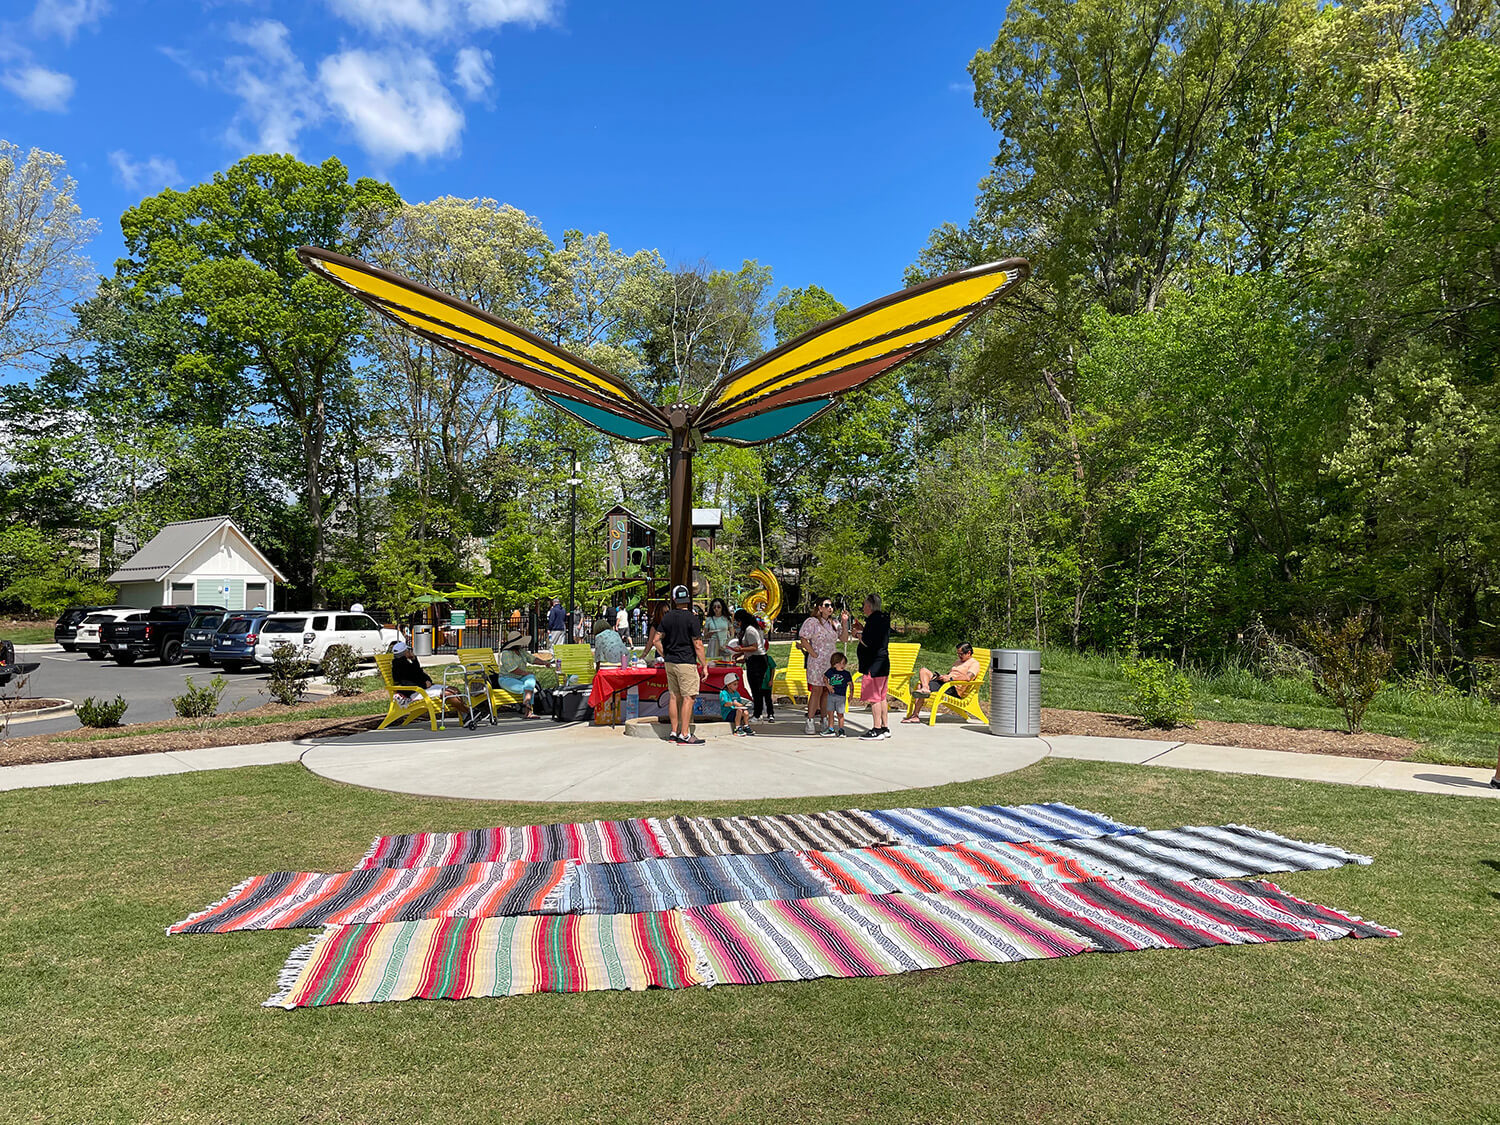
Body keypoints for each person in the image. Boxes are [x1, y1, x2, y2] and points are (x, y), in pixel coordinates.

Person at [647, 584, 708, 745]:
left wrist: (665, 654)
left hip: (670, 663)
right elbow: (698, 644)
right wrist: (705, 665)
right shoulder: (692, 618)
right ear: (687, 599)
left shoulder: (667, 617)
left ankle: (673, 732)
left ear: (674, 599)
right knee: (689, 697)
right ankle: (685, 734)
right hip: (686, 662)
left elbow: (655, 640)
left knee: (674, 696)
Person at [390, 641, 475, 729]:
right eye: (408, 650)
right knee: (449, 693)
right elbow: (405, 682)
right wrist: (423, 684)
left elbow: (419, 673)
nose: (410, 651)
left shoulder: (407, 663)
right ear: (405, 653)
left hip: (423, 688)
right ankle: (470, 713)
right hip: (416, 692)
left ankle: (466, 716)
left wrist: (414, 660)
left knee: (454, 689)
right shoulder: (399, 666)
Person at [798, 596, 849, 734]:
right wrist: (812, 653)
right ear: (819, 608)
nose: (830, 608)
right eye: (826, 605)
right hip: (817, 662)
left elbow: (844, 638)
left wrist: (844, 623)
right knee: (816, 690)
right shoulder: (812, 622)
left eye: (831, 605)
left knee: (827, 690)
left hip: (830, 662)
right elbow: (803, 637)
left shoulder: (834, 623)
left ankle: (824, 719)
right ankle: (810, 720)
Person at [903, 642, 983, 723]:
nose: (959, 656)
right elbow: (951, 673)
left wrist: (951, 678)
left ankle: (915, 715)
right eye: (958, 654)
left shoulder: (974, 664)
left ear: (969, 653)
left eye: (961, 654)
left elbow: (968, 677)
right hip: (947, 683)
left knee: (919, 686)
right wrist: (943, 677)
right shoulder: (958, 661)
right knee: (923, 670)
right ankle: (925, 688)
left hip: (953, 688)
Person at [727, 608, 774, 722]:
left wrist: (741, 649)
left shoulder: (750, 630)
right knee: (754, 687)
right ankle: (758, 712)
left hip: (757, 660)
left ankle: (758, 714)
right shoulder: (750, 629)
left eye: (737, 621)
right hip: (753, 659)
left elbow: (754, 647)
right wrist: (740, 653)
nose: (737, 624)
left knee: (756, 687)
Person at [856, 592, 893, 741]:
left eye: (865, 604)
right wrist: (862, 629)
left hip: (874, 664)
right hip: (883, 662)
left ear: (870, 606)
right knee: (881, 696)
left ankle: (876, 729)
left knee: (874, 698)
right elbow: (876, 637)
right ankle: (885, 727)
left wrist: (858, 634)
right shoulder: (882, 619)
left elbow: (868, 642)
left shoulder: (873, 620)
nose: (863, 607)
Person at [496, 629, 548, 719]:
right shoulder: (506, 654)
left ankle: (526, 703)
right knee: (528, 687)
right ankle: (528, 710)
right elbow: (513, 669)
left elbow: (532, 659)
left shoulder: (521, 651)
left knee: (531, 678)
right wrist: (526, 673)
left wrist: (544, 663)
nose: (521, 644)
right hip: (507, 679)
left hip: (521, 677)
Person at [822, 652, 853, 738]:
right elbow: (824, 678)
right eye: (840, 663)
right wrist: (828, 686)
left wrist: (851, 694)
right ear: (834, 664)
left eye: (844, 663)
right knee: (830, 712)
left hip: (841, 696)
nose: (842, 665)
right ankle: (831, 728)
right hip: (831, 695)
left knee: (840, 713)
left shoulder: (846, 674)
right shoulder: (830, 671)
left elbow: (851, 684)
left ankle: (841, 729)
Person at [719, 670, 753, 736]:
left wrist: (743, 705)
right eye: (734, 684)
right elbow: (725, 704)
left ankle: (746, 726)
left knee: (745, 712)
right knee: (739, 711)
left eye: (737, 684)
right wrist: (734, 704)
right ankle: (737, 728)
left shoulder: (736, 693)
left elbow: (739, 703)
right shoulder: (724, 693)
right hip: (728, 714)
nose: (736, 686)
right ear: (728, 685)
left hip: (736, 712)